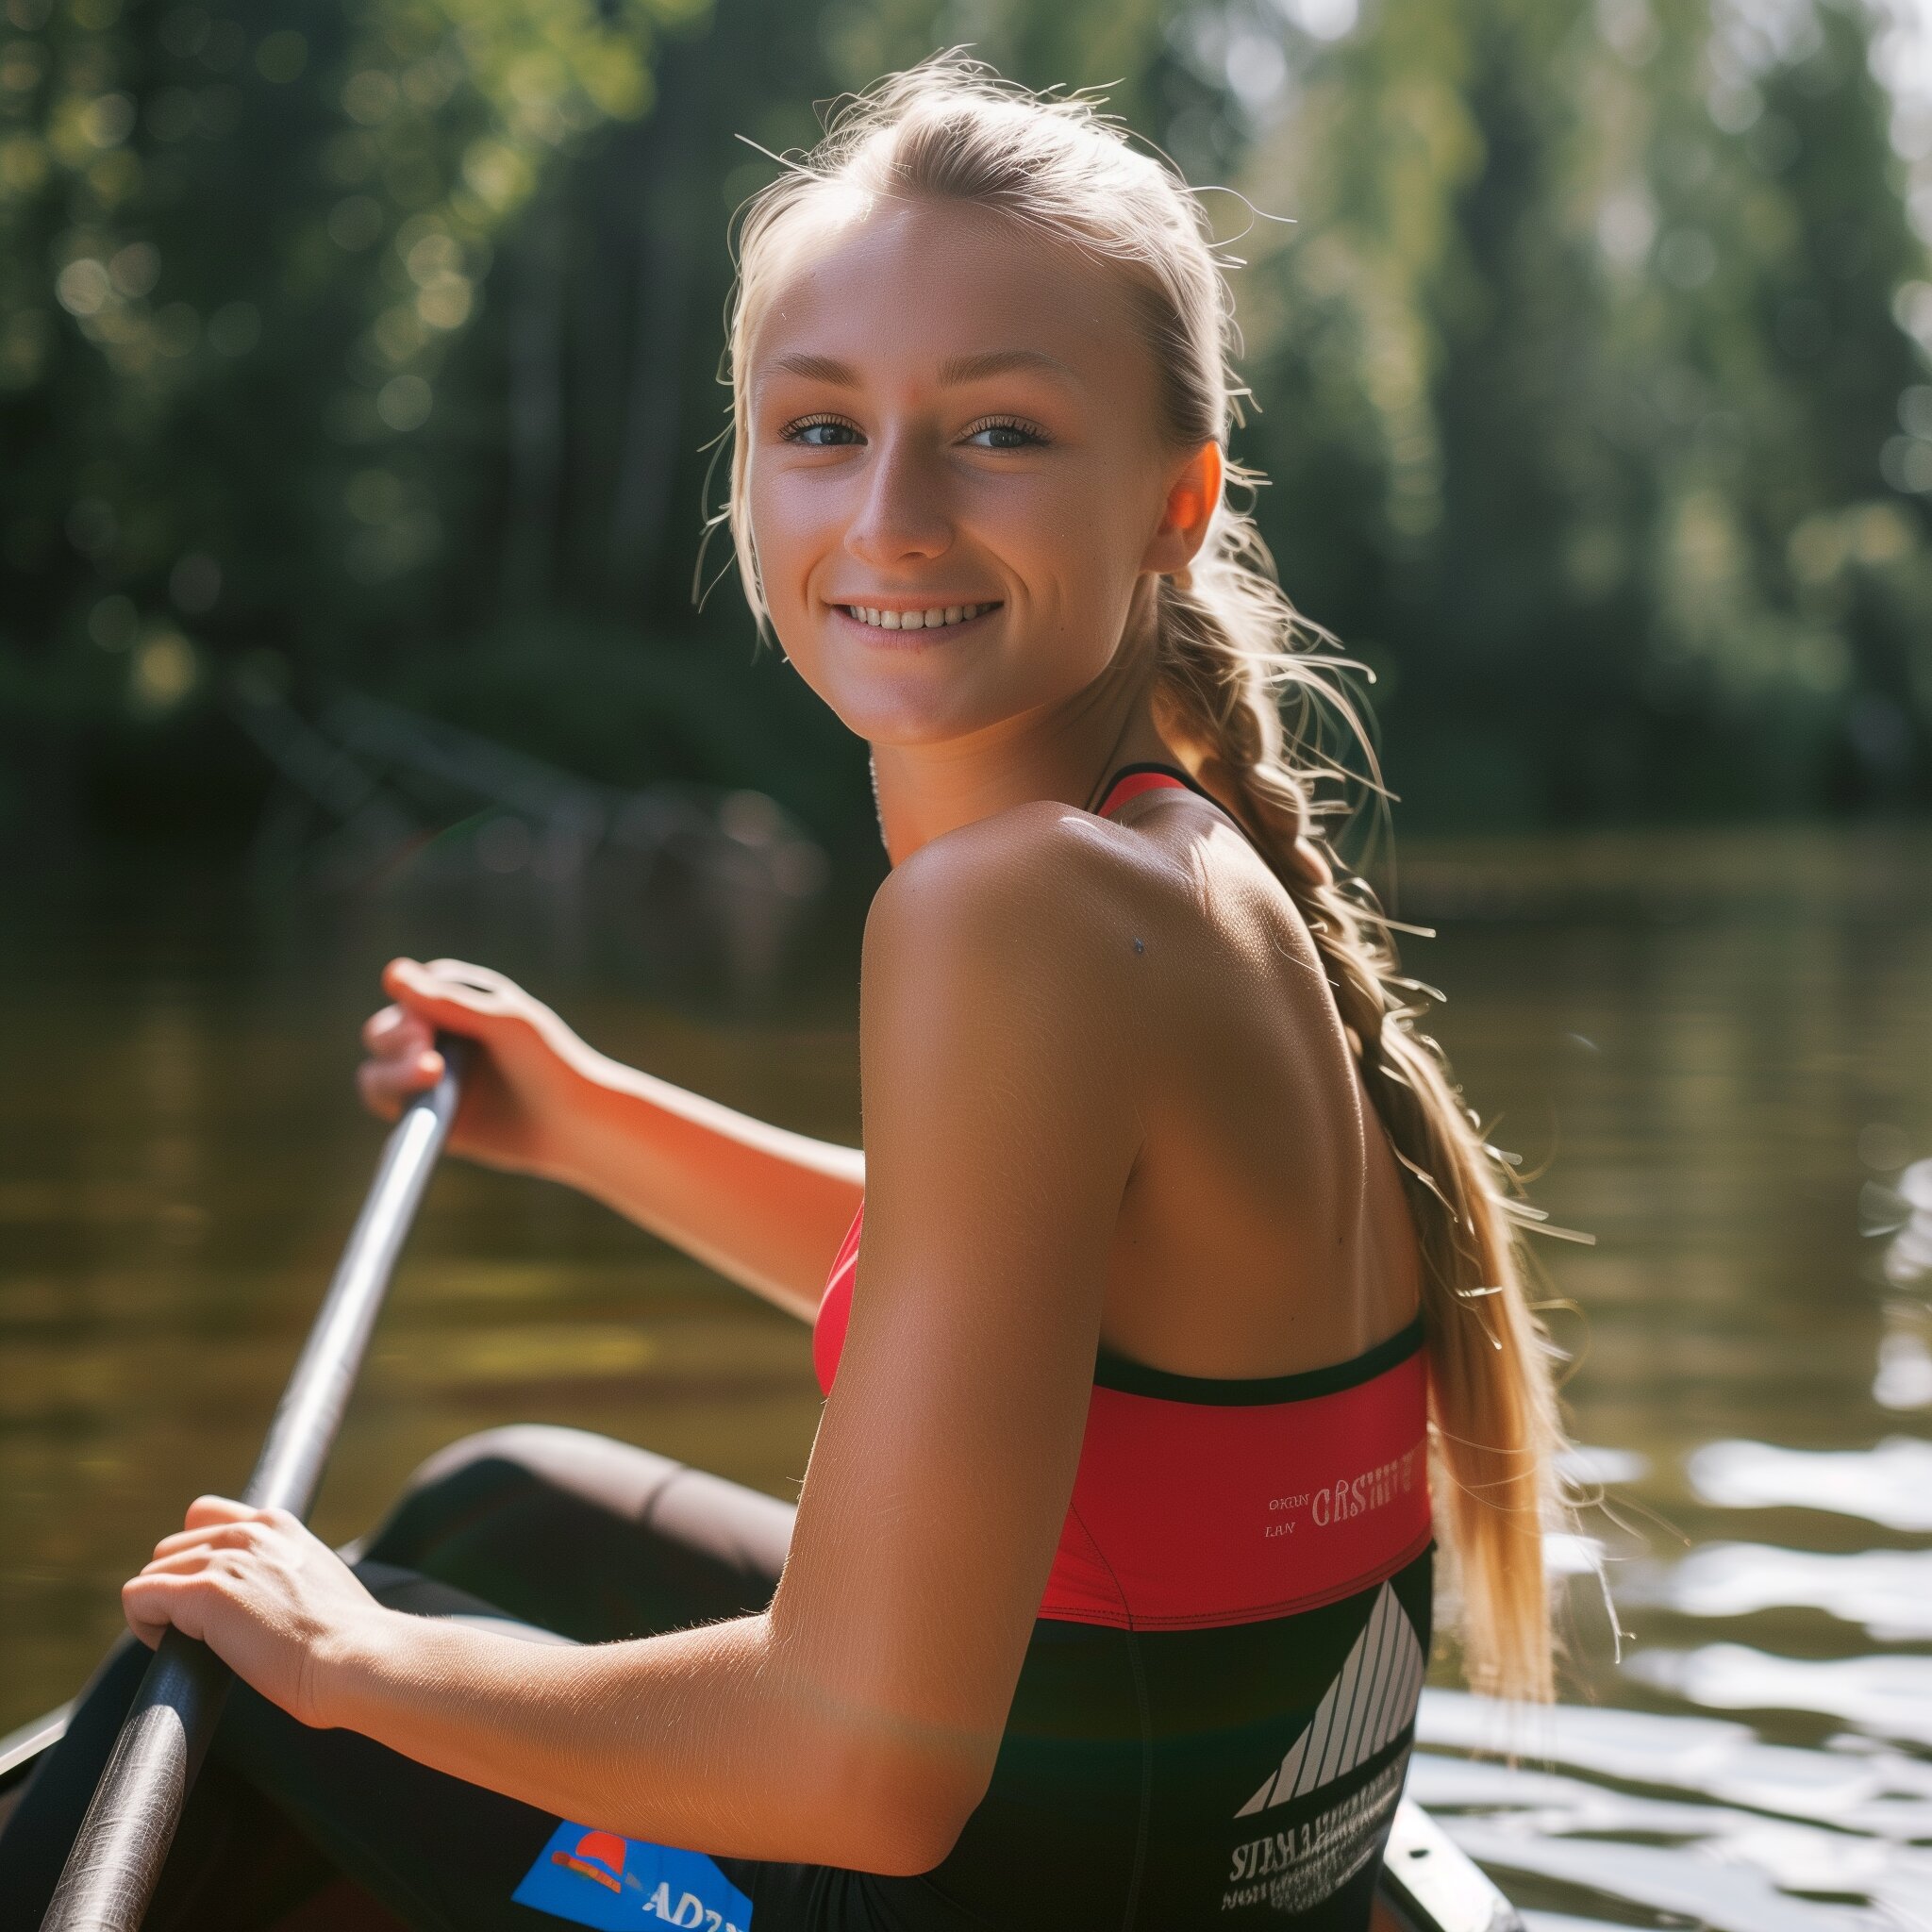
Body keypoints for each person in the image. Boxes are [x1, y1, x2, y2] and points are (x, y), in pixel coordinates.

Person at [1, 56, 1571, 1932]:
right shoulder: (1173, 862)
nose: (890, 516)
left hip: (1003, 1896)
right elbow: (984, 1288)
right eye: (818, 427)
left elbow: (865, 1768)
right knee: (500, 1503)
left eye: (996, 432)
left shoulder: (1008, 911)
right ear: (742, 469)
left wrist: (343, 1667)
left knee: (241, 1683)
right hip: (1218, 1856)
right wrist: (586, 1119)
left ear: (1176, 500)